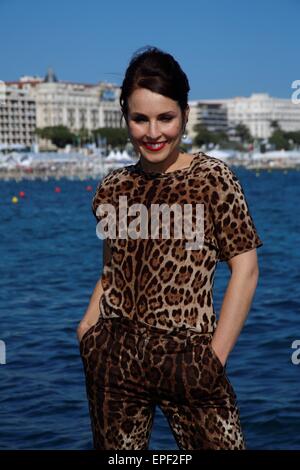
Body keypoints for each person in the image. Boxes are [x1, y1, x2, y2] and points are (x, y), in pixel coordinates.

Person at [77, 46, 263, 450]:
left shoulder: (213, 179)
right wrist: (87, 330)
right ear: (125, 116)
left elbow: (246, 270)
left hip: (190, 361)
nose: (153, 132)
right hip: (114, 358)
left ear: (185, 115)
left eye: (166, 118)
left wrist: (214, 360)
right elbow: (111, 267)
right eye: (140, 119)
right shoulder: (114, 186)